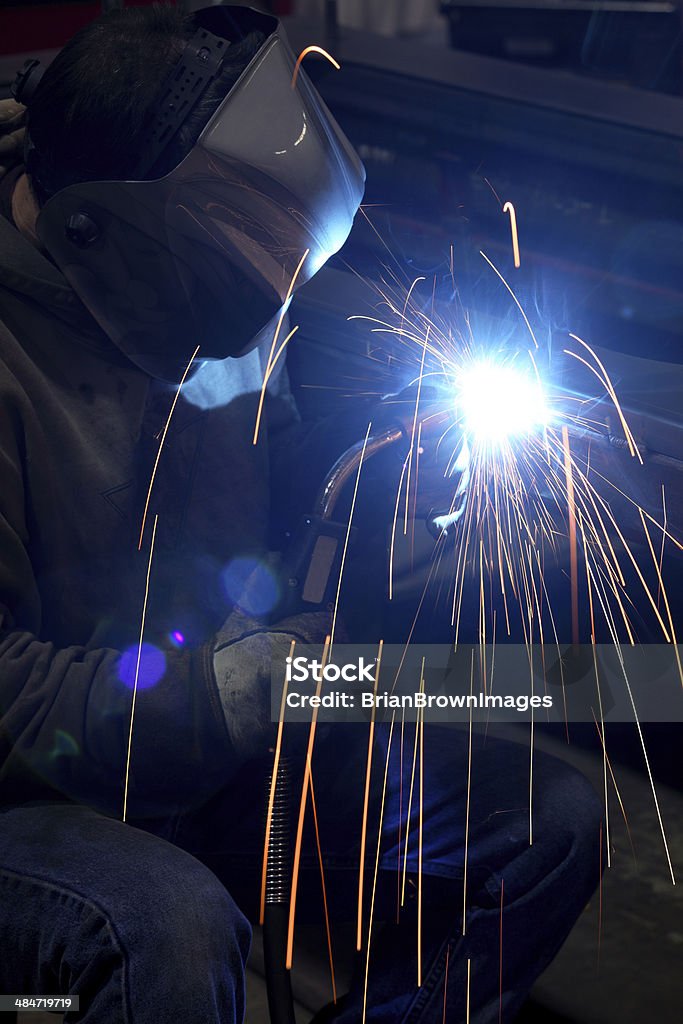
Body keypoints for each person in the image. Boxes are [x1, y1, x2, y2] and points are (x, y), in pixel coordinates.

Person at [0, 5, 603, 1022]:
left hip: (204, 747)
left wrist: (389, 506)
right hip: (32, 801)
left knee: (544, 824)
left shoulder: (210, 282)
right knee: (167, 927)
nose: (261, 324)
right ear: (102, 236)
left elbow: (279, 517)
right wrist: (224, 695)